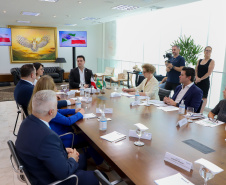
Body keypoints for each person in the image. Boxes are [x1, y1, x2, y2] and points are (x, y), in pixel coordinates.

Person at [15, 90, 100, 185]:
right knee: (99, 177)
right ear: (51, 112)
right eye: (56, 106)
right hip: (51, 180)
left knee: (82, 159)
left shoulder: (26, 122)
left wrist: (63, 150)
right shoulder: (47, 137)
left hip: (38, 170)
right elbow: (64, 173)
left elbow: (43, 150)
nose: (57, 108)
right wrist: (72, 159)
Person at [28, 75, 105, 168]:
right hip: (64, 136)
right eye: (54, 87)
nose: (56, 88)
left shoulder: (39, 102)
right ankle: (98, 162)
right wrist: (80, 113)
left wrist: (73, 111)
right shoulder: (47, 108)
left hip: (58, 131)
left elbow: (58, 111)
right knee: (91, 136)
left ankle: (88, 155)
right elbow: (68, 121)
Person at [195, 46, 215, 113]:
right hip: (197, 81)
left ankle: (201, 112)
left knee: (204, 97)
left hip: (205, 82)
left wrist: (200, 79)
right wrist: (196, 77)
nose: (208, 52)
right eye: (206, 50)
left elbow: (209, 73)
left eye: (209, 51)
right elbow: (196, 70)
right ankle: (195, 110)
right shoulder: (199, 60)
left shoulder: (211, 61)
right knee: (195, 95)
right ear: (204, 51)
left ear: (211, 52)